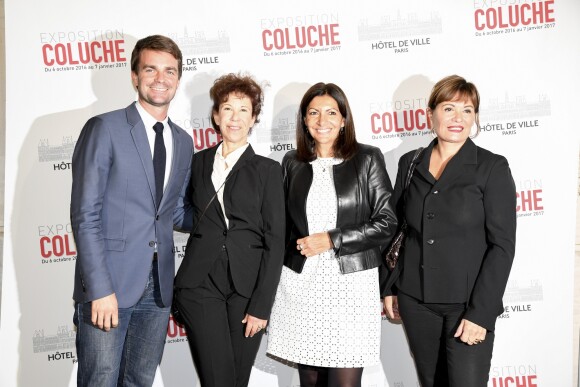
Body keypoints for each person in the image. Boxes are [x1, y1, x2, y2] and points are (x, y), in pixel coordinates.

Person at [70, 35, 193, 386]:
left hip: (158, 289)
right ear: (134, 76)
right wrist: (99, 289)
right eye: (150, 69)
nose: (161, 78)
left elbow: (173, 213)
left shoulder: (183, 141)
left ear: (178, 79)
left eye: (169, 71)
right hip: (109, 284)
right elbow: (85, 216)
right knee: (100, 380)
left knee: (140, 379)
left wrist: (227, 215)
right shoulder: (104, 128)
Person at [383, 75, 517, 387]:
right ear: (430, 115)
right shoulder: (410, 163)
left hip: (467, 306)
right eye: (448, 108)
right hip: (415, 301)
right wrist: (389, 286)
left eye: (467, 110)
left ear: (476, 118)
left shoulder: (492, 167)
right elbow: (395, 228)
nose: (457, 118)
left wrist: (480, 314)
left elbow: (502, 247)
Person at [267, 82, 397, 387]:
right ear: (304, 120)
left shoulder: (367, 158)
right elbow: (282, 225)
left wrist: (332, 239)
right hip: (300, 287)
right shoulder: (292, 163)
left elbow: (387, 221)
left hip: (351, 288)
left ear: (343, 119)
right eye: (313, 113)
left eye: (331, 112)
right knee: (310, 382)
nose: (322, 120)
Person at [173, 73, 285, 387]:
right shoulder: (197, 162)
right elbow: (183, 212)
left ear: (253, 119)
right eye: (227, 108)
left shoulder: (267, 170)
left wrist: (261, 306)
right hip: (200, 285)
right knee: (217, 380)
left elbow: (276, 242)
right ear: (215, 115)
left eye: (243, 110)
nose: (234, 118)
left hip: (247, 290)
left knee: (237, 380)